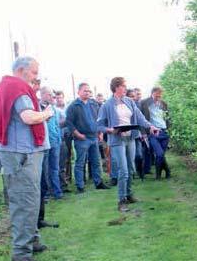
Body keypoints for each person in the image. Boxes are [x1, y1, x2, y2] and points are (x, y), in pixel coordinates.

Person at [0, 56, 53, 261]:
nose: (36, 77)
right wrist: (46, 113)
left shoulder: (8, 86)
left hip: (20, 152)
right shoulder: (16, 87)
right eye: (34, 72)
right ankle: (21, 253)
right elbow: (28, 117)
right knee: (25, 201)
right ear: (21, 70)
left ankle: (32, 241)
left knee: (30, 199)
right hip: (22, 154)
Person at [97, 77, 158, 212]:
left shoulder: (130, 102)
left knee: (131, 169)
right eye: (123, 86)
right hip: (117, 141)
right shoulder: (107, 105)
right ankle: (121, 200)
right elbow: (99, 125)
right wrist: (110, 130)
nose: (126, 88)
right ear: (116, 87)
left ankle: (129, 195)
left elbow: (140, 118)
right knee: (123, 171)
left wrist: (151, 127)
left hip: (130, 138)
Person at [66, 83, 109, 194]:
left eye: (89, 91)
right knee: (80, 163)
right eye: (85, 91)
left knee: (96, 161)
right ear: (78, 92)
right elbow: (69, 123)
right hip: (82, 139)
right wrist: (78, 135)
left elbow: (99, 119)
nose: (88, 93)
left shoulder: (93, 104)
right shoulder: (73, 106)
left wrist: (100, 133)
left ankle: (98, 183)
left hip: (94, 137)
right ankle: (80, 186)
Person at [141, 87, 171, 180]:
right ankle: (159, 175)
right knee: (159, 154)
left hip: (164, 132)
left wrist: (169, 129)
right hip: (153, 132)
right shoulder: (144, 103)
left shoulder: (164, 104)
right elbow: (141, 119)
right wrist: (143, 132)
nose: (159, 96)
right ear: (152, 93)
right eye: (157, 94)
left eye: (160, 94)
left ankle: (166, 171)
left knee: (161, 155)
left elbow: (168, 117)